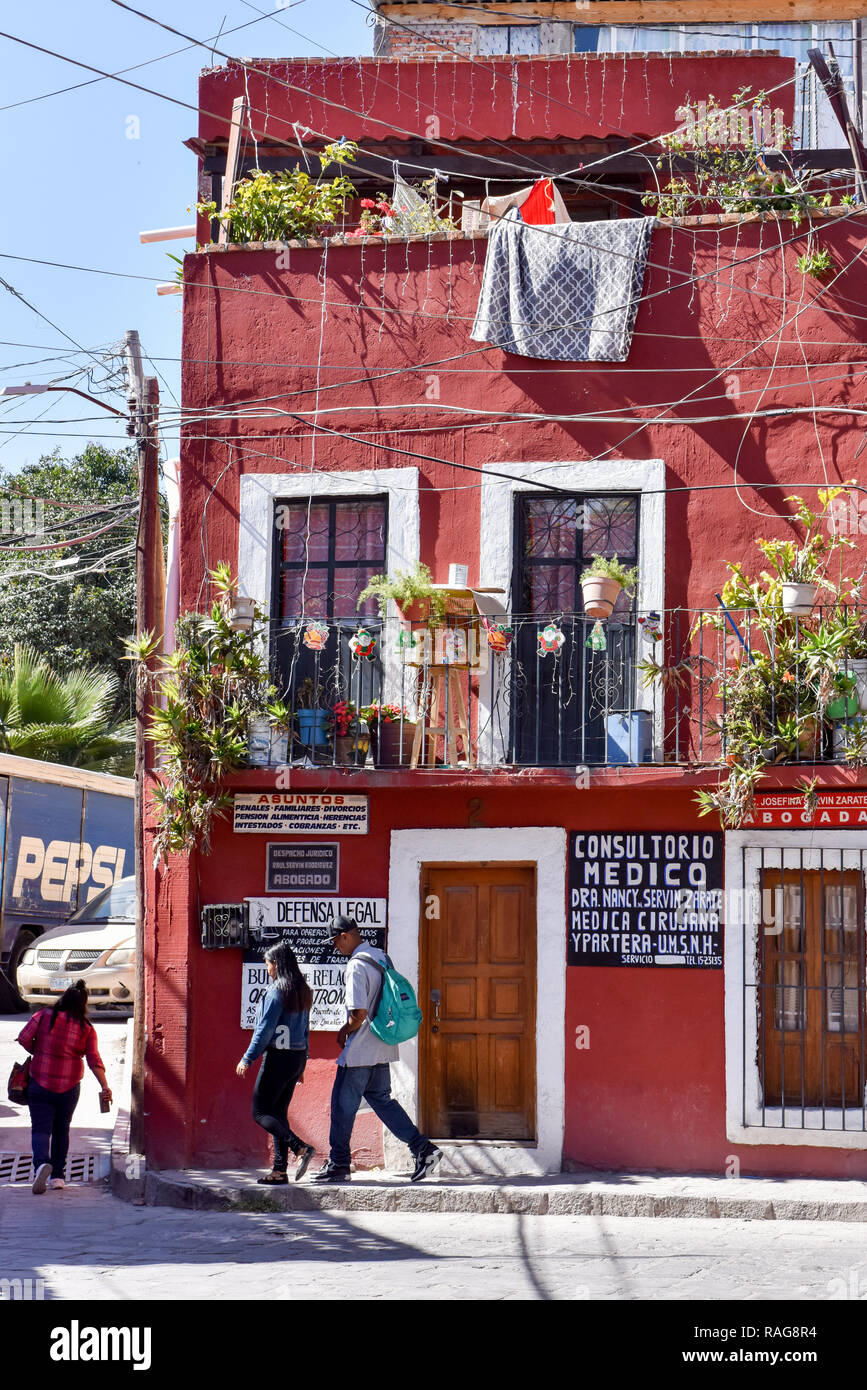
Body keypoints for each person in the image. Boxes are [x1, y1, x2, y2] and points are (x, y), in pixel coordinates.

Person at [314, 916, 442, 1184]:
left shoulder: (356, 967)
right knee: (383, 1102)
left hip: (360, 1050)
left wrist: (343, 1031)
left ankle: (338, 1164)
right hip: (384, 1044)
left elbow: (358, 1013)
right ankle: (423, 1148)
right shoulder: (382, 958)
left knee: (341, 1106)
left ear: (346, 936)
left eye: (336, 941)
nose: (335, 947)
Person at [17, 979, 112, 1195]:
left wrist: (38, 1050)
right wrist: (104, 1085)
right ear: (83, 1004)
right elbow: (93, 1059)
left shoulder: (42, 1016)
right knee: (61, 1130)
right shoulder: (86, 1028)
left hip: (39, 1081)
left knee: (41, 1128)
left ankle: (41, 1163)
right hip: (69, 1087)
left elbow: (23, 1038)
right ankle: (57, 1176)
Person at [236, 940, 316, 1184]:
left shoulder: (276, 992)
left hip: (278, 1058)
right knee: (279, 1114)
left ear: (277, 964)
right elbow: (305, 1029)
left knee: (260, 1112)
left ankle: (300, 1147)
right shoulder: (302, 989)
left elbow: (264, 1030)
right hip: (296, 1058)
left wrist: (247, 1057)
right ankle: (279, 1171)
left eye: (268, 964)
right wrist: (303, 1062)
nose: (267, 968)